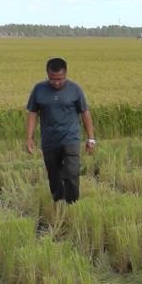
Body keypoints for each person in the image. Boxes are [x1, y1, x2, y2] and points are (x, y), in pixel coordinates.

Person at [25, 57, 96, 204]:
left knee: (72, 172)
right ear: (47, 74)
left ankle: (72, 203)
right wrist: (29, 138)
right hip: (49, 140)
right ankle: (58, 201)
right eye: (52, 79)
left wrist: (91, 138)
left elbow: (85, 113)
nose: (56, 82)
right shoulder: (39, 89)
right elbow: (32, 113)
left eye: (60, 79)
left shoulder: (75, 89)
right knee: (54, 175)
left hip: (70, 138)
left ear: (66, 74)